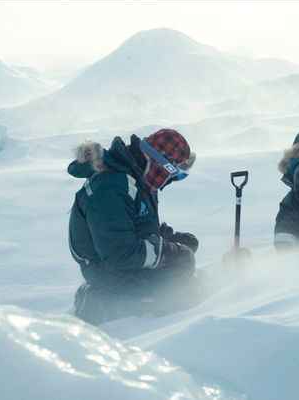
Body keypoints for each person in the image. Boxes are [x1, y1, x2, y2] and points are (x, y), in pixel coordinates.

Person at [67, 128, 201, 324]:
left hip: (119, 259)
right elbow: (120, 254)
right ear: (161, 164)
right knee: (182, 266)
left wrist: (167, 240)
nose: (173, 181)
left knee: (185, 255)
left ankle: (162, 299)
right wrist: (169, 252)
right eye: (177, 174)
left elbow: (134, 225)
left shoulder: (136, 178)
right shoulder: (111, 187)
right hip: (107, 270)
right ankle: (110, 305)